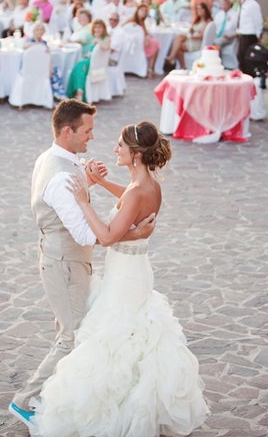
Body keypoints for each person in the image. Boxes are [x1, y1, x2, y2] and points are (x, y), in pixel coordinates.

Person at [32, 120, 209, 437]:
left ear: (136, 155)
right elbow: (129, 198)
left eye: (120, 146)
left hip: (125, 276)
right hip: (137, 270)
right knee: (135, 335)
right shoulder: (150, 186)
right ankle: (133, 404)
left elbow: (108, 236)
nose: (114, 149)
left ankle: (111, 413)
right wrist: (101, 184)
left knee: (112, 339)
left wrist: (84, 202)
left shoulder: (138, 191)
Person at [8, 101, 155, 432]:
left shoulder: (55, 160)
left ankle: (54, 394)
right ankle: (25, 401)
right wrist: (134, 233)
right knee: (72, 337)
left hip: (66, 261)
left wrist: (89, 183)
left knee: (69, 330)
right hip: (66, 265)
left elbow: (62, 202)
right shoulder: (60, 175)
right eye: (87, 131)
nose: (92, 136)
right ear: (68, 131)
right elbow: (89, 234)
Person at [67, 19, 111, 101]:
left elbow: (106, 47)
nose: (97, 30)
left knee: (79, 67)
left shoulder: (106, 38)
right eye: (95, 27)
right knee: (78, 67)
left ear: (103, 28)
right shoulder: (95, 37)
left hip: (96, 64)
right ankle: (79, 91)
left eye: (99, 27)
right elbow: (93, 52)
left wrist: (98, 40)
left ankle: (79, 92)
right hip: (90, 60)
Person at [165, 1, 212, 71]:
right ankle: (179, 63)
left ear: (205, 10)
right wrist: (189, 34)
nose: (199, 11)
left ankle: (176, 60)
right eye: (198, 9)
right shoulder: (197, 20)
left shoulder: (207, 21)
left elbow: (201, 35)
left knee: (178, 45)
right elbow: (190, 30)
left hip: (197, 42)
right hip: (192, 39)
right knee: (178, 39)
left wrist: (190, 37)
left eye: (201, 9)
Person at [235, 0, 264, 74]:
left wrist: (258, 34)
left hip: (250, 35)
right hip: (242, 34)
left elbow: (258, 21)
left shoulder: (253, 5)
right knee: (241, 57)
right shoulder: (242, 3)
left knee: (248, 58)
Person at [213, 0, 238, 67]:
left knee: (217, 43)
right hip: (218, 36)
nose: (224, 6)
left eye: (225, 4)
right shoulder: (219, 14)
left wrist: (229, 36)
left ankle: (218, 64)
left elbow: (238, 31)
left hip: (229, 37)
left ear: (230, 4)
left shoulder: (234, 15)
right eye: (222, 5)